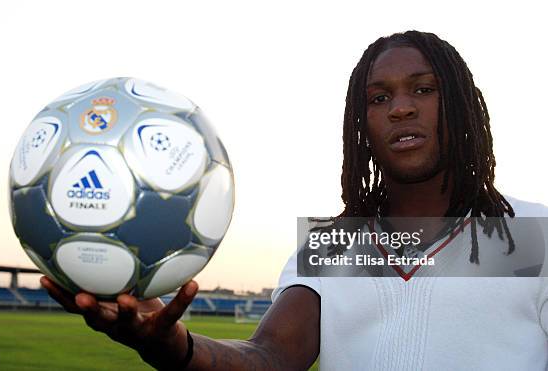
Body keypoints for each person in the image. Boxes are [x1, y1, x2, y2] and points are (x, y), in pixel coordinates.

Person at [41, 31, 548, 370]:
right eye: (379, 97)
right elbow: (269, 357)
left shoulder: (534, 234)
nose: (400, 108)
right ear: (360, 124)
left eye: (424, 89)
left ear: (460, 103)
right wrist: (171, 345)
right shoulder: (334, 246)